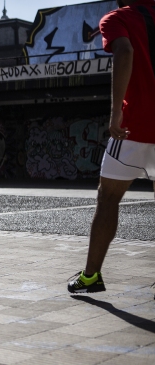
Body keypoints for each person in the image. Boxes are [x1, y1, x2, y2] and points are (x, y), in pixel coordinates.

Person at [68, 0, 155, 294]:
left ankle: (91, 276)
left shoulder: (117, 18)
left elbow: (125, 51)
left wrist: (116, 110)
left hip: (134, 127)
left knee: (108, 199)